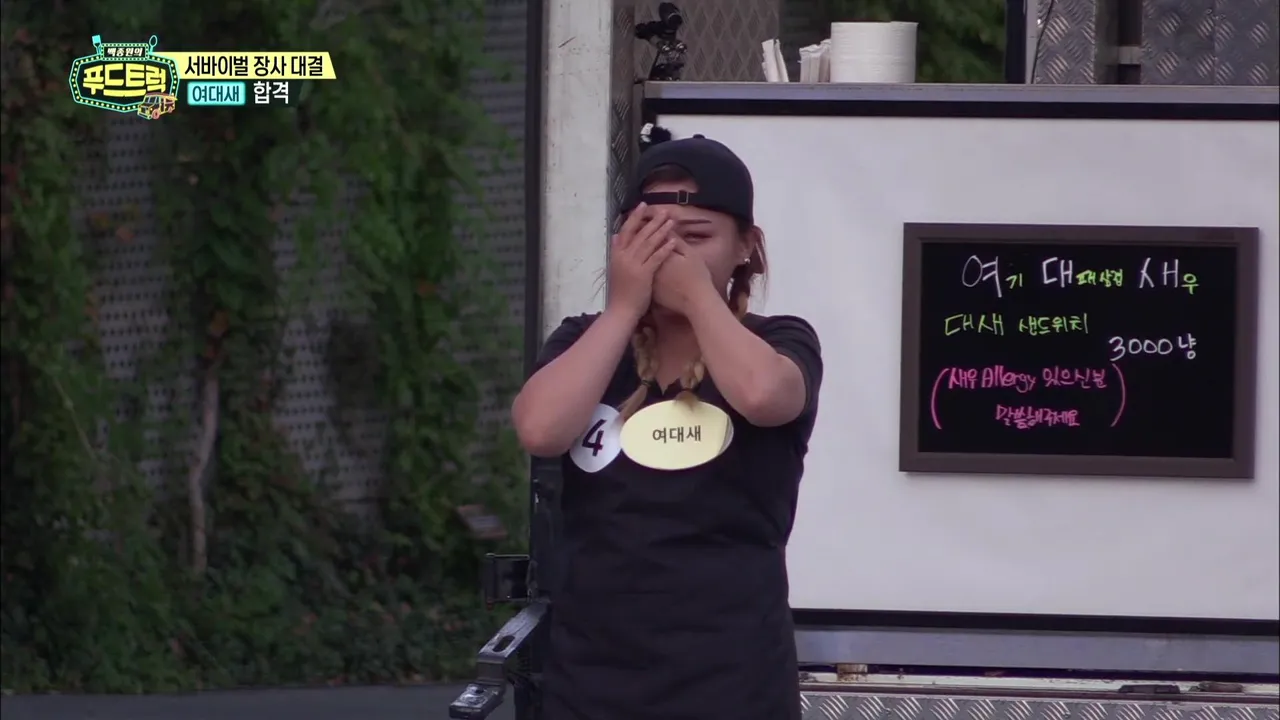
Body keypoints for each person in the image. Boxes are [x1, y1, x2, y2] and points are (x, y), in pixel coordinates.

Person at [511, 131, 823, 720]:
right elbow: (540, 429)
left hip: (733, 680)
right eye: (650, 235)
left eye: (696, 237)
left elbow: (764, 397)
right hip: (593, 679)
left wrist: (699, 298)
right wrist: (623, 307)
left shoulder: (779, 339)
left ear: (747, 246)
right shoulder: (585, 340)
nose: (670, 254)